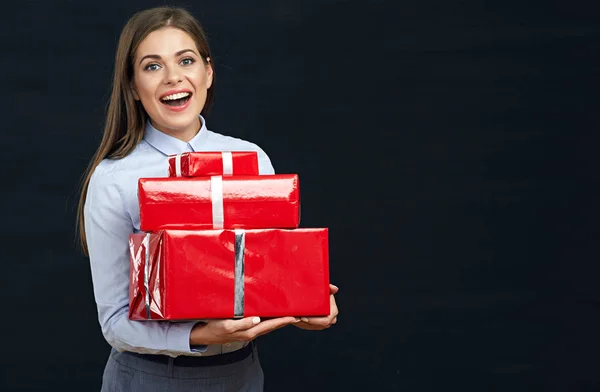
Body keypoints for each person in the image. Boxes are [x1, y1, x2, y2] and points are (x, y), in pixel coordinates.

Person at [76, 6, 339, 392]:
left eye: (186, 60)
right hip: (152, 378)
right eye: (152, 66)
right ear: (133, 86)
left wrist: (310, 304)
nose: (173, 77)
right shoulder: (114, 179)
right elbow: (114, 322)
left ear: (208, 72)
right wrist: (199, 334)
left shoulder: (252, 159)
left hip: (242, 374)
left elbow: (268, 275)